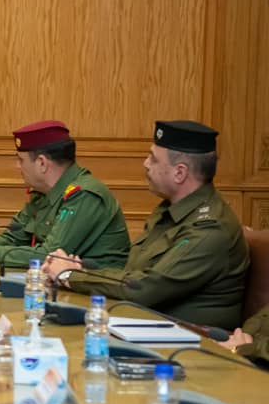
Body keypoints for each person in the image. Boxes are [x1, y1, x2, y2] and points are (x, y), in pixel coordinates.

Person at [43, 120, 249, 330]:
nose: (146, 164)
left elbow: (145, 288)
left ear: (180, 173)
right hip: (143, 325)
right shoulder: (170, 210)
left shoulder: (210, 229)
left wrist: (71, 276)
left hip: (187, 339)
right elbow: (133, 273)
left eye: (153, 159)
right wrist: (83, 270)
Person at [0, 120, 130, 269]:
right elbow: (15, 237)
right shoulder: (42, 193)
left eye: (20, 160)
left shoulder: (84, 195)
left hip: (98, 294)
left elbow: (50, 256)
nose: (17, 166)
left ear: (42, 163)